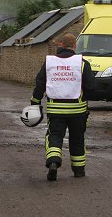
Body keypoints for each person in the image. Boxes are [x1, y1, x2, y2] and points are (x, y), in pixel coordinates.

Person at [31, 33, 95, 181]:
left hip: (56, 110)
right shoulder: (82, 63)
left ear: (60, 45)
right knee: (77, 139)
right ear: (74, 46)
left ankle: (53, 162)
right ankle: (79, 170)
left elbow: (40, 83)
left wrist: (35, 101)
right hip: (78, 111)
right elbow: (91, 87)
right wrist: (84, 98)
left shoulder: (50, 62)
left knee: (54, 136)